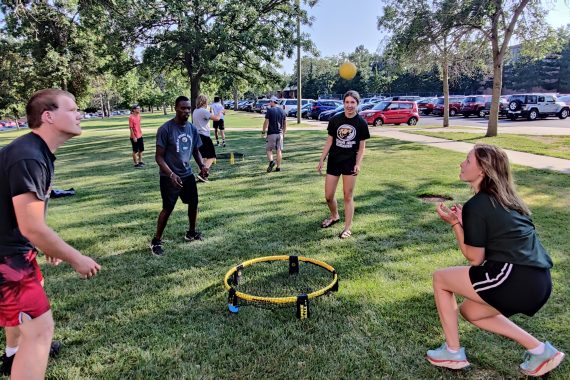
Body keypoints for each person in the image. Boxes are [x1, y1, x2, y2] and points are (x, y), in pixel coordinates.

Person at [427, 144, 564, 376]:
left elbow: (474, 258)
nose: (462, 164)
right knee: (472, 312)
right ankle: (541, 351)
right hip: (539, 281)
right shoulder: (506, 201)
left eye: (468, 161)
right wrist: (458, 224)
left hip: (514, 277)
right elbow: (483, 249)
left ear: (482, 170)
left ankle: (453, 352)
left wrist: (455, 224)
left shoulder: (478, 204)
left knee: (441, 278)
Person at [0, 88, 101, 379]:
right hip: (6, 255)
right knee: (40, 330)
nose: (79, 115)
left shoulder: (35, 151)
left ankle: (12, 356)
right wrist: (76, 258)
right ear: (49, 116)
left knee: (28, 317)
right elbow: (30, 225)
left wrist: (41, 242)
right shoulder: (29, 157)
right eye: (72, 110)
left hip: (12, 249)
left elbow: (29, 215)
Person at [149, 96, 209, 256]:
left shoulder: (192, 129)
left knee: (194, 204)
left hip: (187, 174)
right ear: (175, 108)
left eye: (188, 108)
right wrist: (170, 174)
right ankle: (156, 241)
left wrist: (202, 165)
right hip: (169, 177)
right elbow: (159, 157)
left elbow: (196, 150)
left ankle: (191, 232)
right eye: (183, 108)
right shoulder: (165, 129)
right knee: (167, 208)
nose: (186, 111)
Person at [316, 90, 369, 239]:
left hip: (350, 163)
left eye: (353, 102)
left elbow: (361, 147)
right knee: (328, 196)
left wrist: (358, 164)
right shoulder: (335, 120)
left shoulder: (361, 123)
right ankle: (335, 216)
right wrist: (322, 159)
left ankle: (347, 227)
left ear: (357, 104)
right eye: (347, 102)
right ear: (343, 103)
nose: (349, 105)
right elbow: (330, 141)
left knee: (347, 196)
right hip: (334, 161)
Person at [192, 94, 221, 182]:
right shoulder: (203, 111)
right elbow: (216, 118)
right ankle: (203, 174)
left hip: (196, 135)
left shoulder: (195, 111)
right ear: (204, 102)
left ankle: (202, 177)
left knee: (201, 157)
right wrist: (220, 112)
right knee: (212, 156)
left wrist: (210, 111)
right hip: (203, 136)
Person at [261, 96, 287, 173]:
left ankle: (271, 161)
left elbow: (266, 122)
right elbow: (285, 123)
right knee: (279, 150)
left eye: (270, 101)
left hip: (271, 133)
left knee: (269, 150)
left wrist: (263, 131)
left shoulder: (270, 110)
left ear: (273, 102)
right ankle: (278, 168)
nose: (269, 103)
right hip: (280, 133)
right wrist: (284, 133)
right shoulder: (282, 111)